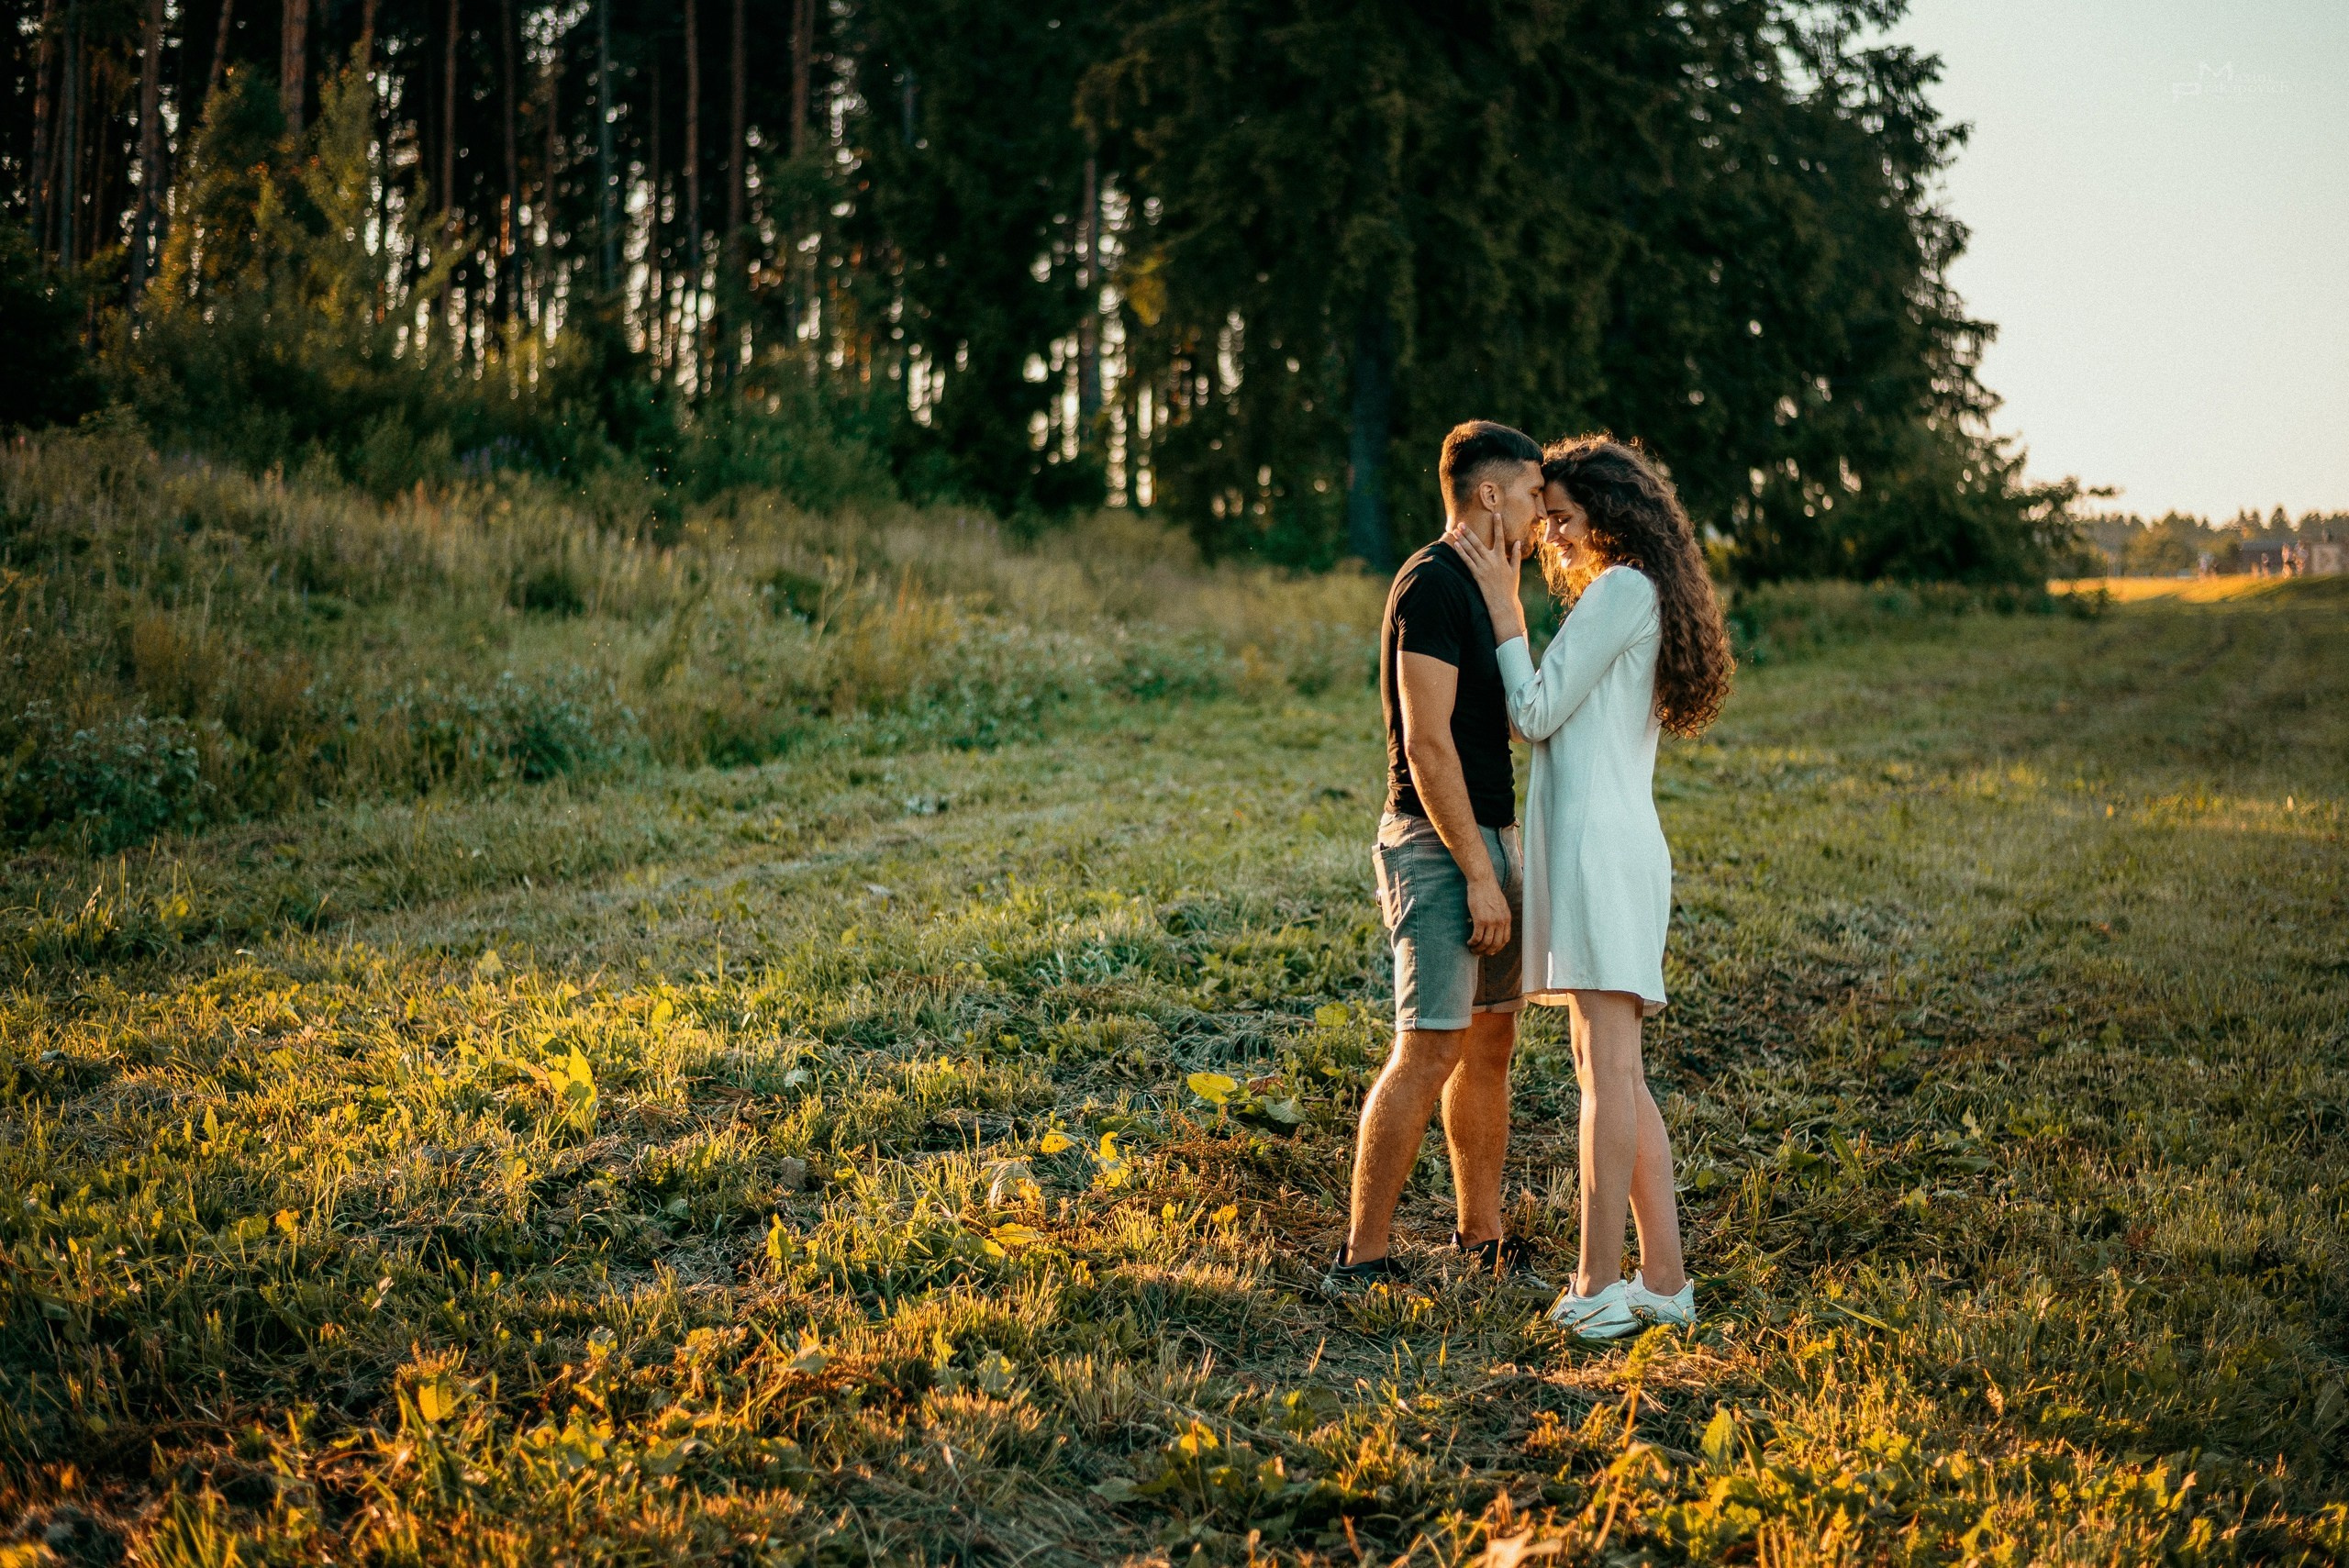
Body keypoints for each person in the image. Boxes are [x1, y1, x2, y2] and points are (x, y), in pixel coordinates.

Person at [1445, 435, 1735, 1339]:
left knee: (1607, 1075)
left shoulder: (1619, 590)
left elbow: (1533, 711)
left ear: (1609, 513)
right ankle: (1665, 1282)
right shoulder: (1636, 591)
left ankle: (1595, 1284)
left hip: (1600, 854)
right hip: (1605, 847)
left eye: (1564, 517)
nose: (1552, 534)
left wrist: (1504, 610)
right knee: (1612, 1072)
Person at [1325, 420, 1548, 1292]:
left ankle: (1479, 1235)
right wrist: (1480, 875)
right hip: (1437, 844)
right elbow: (1425, 743)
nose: (1540, 511)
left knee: (1490, 1042)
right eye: (1531, 493)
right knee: (1427, 1046)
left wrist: (1503, 855)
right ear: (1490, 493)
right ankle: (1362, 1256)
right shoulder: (1430, 583)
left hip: (1494, 835)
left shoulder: (1489, 586)